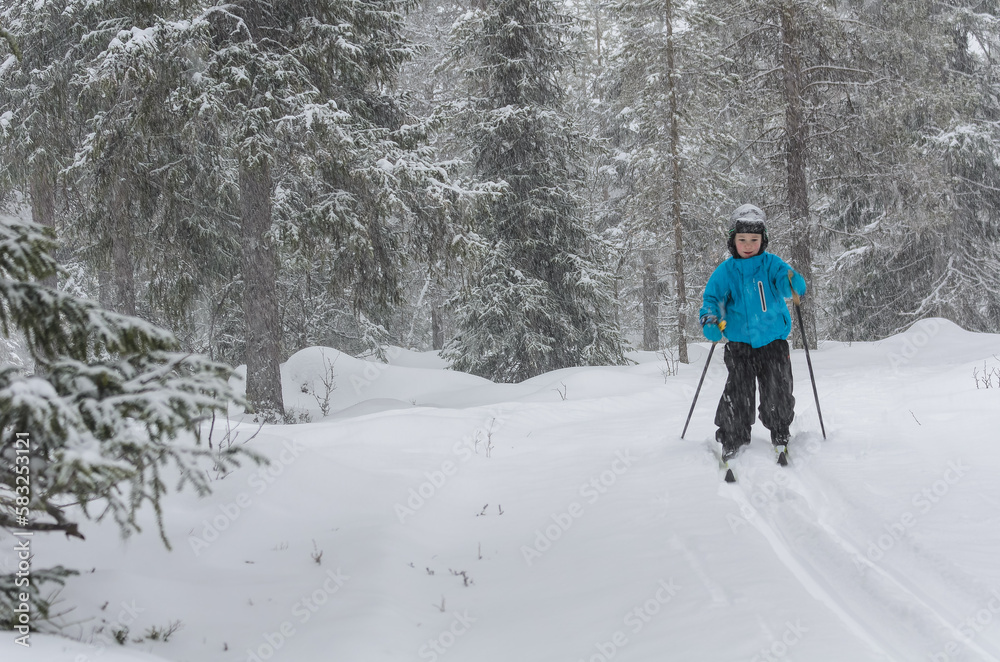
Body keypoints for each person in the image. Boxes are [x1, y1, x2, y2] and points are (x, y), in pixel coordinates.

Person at [698, 204, 807, 460]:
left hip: (773, 342)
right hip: (739, 345)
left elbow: (784, 282)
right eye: (742, 239)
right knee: (738, 391)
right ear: (732, 241)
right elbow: (713, 300)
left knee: (777, 389)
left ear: (763, 240)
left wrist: (792, 283)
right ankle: (732, 435)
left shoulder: (771, 264)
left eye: (754, 240)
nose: (748, 245)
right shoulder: (725, 272)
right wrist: (711, 321)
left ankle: (780, 429)